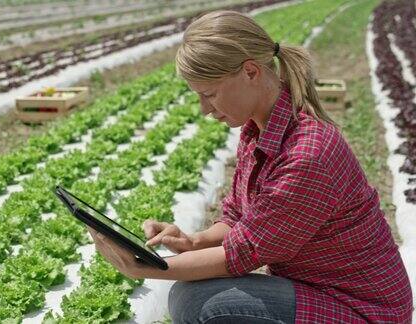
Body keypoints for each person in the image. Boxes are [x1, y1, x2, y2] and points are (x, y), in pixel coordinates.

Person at [86, 10, 414, 323]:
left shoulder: (307, 153)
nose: (204, 110)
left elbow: (242, 254)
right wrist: (194, 242)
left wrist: (144, 268)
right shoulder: (258, 129)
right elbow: (237, 216)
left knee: (199, 303)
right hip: (321, 289)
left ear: (251, 72)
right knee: (190, 293)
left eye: (210, 94)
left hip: (362, 310)